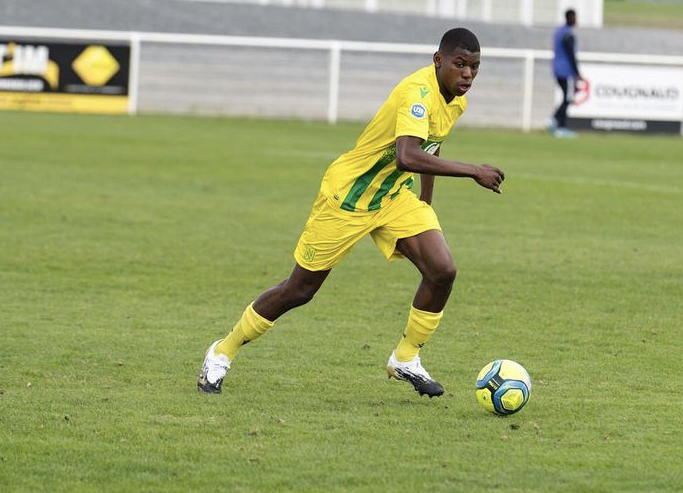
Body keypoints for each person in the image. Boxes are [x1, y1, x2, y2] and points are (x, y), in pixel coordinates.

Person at [198, 28, 504, 397]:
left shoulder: (456, 100)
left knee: (442, 271)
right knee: (299, 290)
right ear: (438, 60)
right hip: (348, 197)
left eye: (474, 67)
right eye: (460, 64)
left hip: (392, 198)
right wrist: (474, 171)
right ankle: (221, 352)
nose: (468, 74)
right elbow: (408, 155)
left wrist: (425, 201)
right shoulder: (416, 93)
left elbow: (430, 148)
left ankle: (405, 359)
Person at [550, 9, 582, 138]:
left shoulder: (558, 32)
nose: (576, 20)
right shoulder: (568, 34)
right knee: (568, 98)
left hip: (557, 69)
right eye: (574, 17)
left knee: (565, 98)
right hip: (566, 71)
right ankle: (559, 126)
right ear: (570, 18)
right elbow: (571, 55)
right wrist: (577, 72)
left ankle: (554, 120)